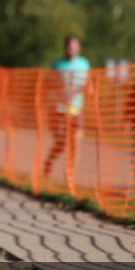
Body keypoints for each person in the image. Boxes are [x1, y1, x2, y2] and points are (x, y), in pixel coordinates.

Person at [42, 36, 91, 191]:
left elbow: (89, 86)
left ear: (79, 48)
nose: (71, 49)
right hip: (59, 110)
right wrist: (60, 92)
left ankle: (69, 177)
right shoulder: (57, 65)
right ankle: (48, 162)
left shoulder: (84, 64)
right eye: (69, 46)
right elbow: (46, 85)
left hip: (77, 110)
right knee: (62, 143)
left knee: (76, 144)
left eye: (74, 46)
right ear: (65, 47)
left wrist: (86, 91)